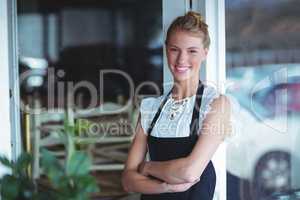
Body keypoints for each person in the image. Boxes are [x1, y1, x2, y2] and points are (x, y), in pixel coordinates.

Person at [122, 11, 231, 200]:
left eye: (192, 51)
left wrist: (147, 167)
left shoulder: (215, 104)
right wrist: (166, 187)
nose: (181, 59)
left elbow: (189, 172)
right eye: (174, 49)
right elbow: (128, 181)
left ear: (205, 53)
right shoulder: (151, 108)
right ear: (166, 50)